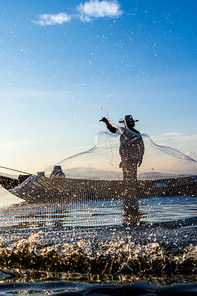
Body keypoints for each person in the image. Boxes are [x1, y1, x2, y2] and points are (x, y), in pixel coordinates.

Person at [100, 115, 144, 186]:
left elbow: (141, 146)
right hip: (129, 158)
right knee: (131, 177)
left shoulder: (126, 131)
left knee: (128, 177)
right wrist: (140, 157)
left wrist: (106, 122)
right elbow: (142, 147)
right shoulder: (133, 132)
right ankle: (131, 192)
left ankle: (130, 192)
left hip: (129, 158)